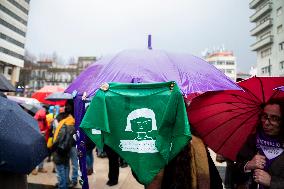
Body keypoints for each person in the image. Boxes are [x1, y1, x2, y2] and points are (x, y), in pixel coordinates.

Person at [236, 99, 284, 189]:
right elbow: (236, 168)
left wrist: (271, 182)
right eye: (264, 116)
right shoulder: (253, 139)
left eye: (274, 118)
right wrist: (248, 165)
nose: (266, 123)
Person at [51, 103, 75, 189]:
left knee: (60, 170)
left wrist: (53, 147)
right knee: (65, 167)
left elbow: (58, 139)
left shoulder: (63, 126)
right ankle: (66, 184)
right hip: (67, 149)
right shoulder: (71, 122)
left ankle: (62, 186)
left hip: (60, 150)